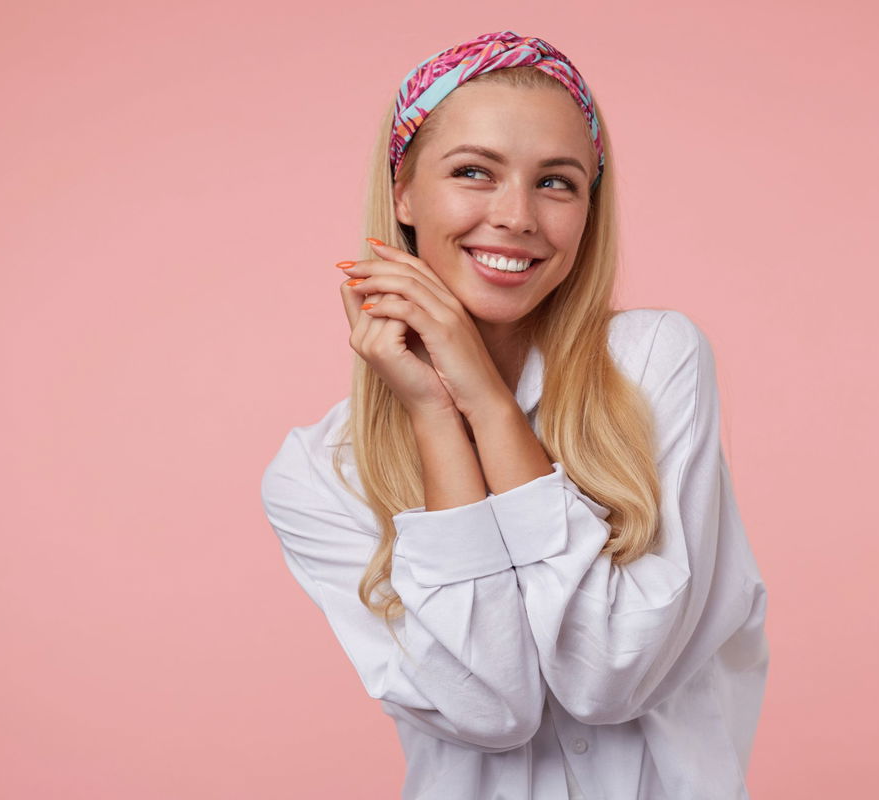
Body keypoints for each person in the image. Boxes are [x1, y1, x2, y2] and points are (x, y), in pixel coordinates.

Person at [260, 31, 768, 800]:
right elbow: (494, 708)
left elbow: (608, 679)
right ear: (402, 192)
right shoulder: (319, 473)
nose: (517, 216)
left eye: (557, 183)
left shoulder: (655, 362)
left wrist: (489, 406)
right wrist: (435, 411)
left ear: (589, 208)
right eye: (473, 172)